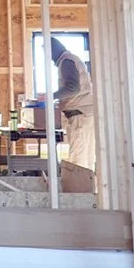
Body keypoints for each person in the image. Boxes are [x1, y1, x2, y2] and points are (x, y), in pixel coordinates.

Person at [41, 37, 95, 170]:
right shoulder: (71, 59)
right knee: (86, 161)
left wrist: (50, 96)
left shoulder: (66, 62)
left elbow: (73, 88)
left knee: (79, 161)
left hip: (79, 116)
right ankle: (88, 190)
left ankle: (79, 190)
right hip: (85, 115)